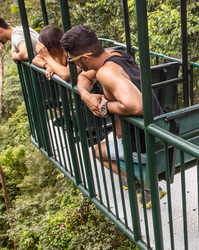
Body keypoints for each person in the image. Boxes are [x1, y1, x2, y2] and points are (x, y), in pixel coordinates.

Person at [60, 25, 165, 207]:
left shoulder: (106, 72)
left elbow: (137, 105)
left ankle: (146, 183)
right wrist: (86, 95)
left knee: (97, 152)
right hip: (161, 134)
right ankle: (141, 179)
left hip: (144, 146)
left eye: (72, 61)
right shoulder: (116, 55)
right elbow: (85, 78)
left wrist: (104, 107)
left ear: (85, 58)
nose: (73, 65)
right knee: (109, 144)